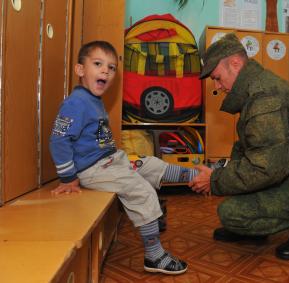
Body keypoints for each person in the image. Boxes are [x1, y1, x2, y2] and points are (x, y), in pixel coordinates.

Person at [49, 40, 198, 275]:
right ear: (80, 70)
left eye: (111, 68)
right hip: (94, 170)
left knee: (151, 164)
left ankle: (198, 176)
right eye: (98, 64)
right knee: (141, 190)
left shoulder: (93, 101)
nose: (105, 71)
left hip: (111, 161)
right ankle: (154, 256)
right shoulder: (75, 103)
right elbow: (58, 140)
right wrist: (68, 177)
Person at [190, 33, 289, 260]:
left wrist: (214, 180)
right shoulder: (256, 89)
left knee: (231, 213)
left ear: (235, 63)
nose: (217, 86)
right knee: (240, 153)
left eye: (218, 78)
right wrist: (222, 175)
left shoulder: (264, 98)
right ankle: (256, 230)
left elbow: (266, 168)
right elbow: (254, 151)